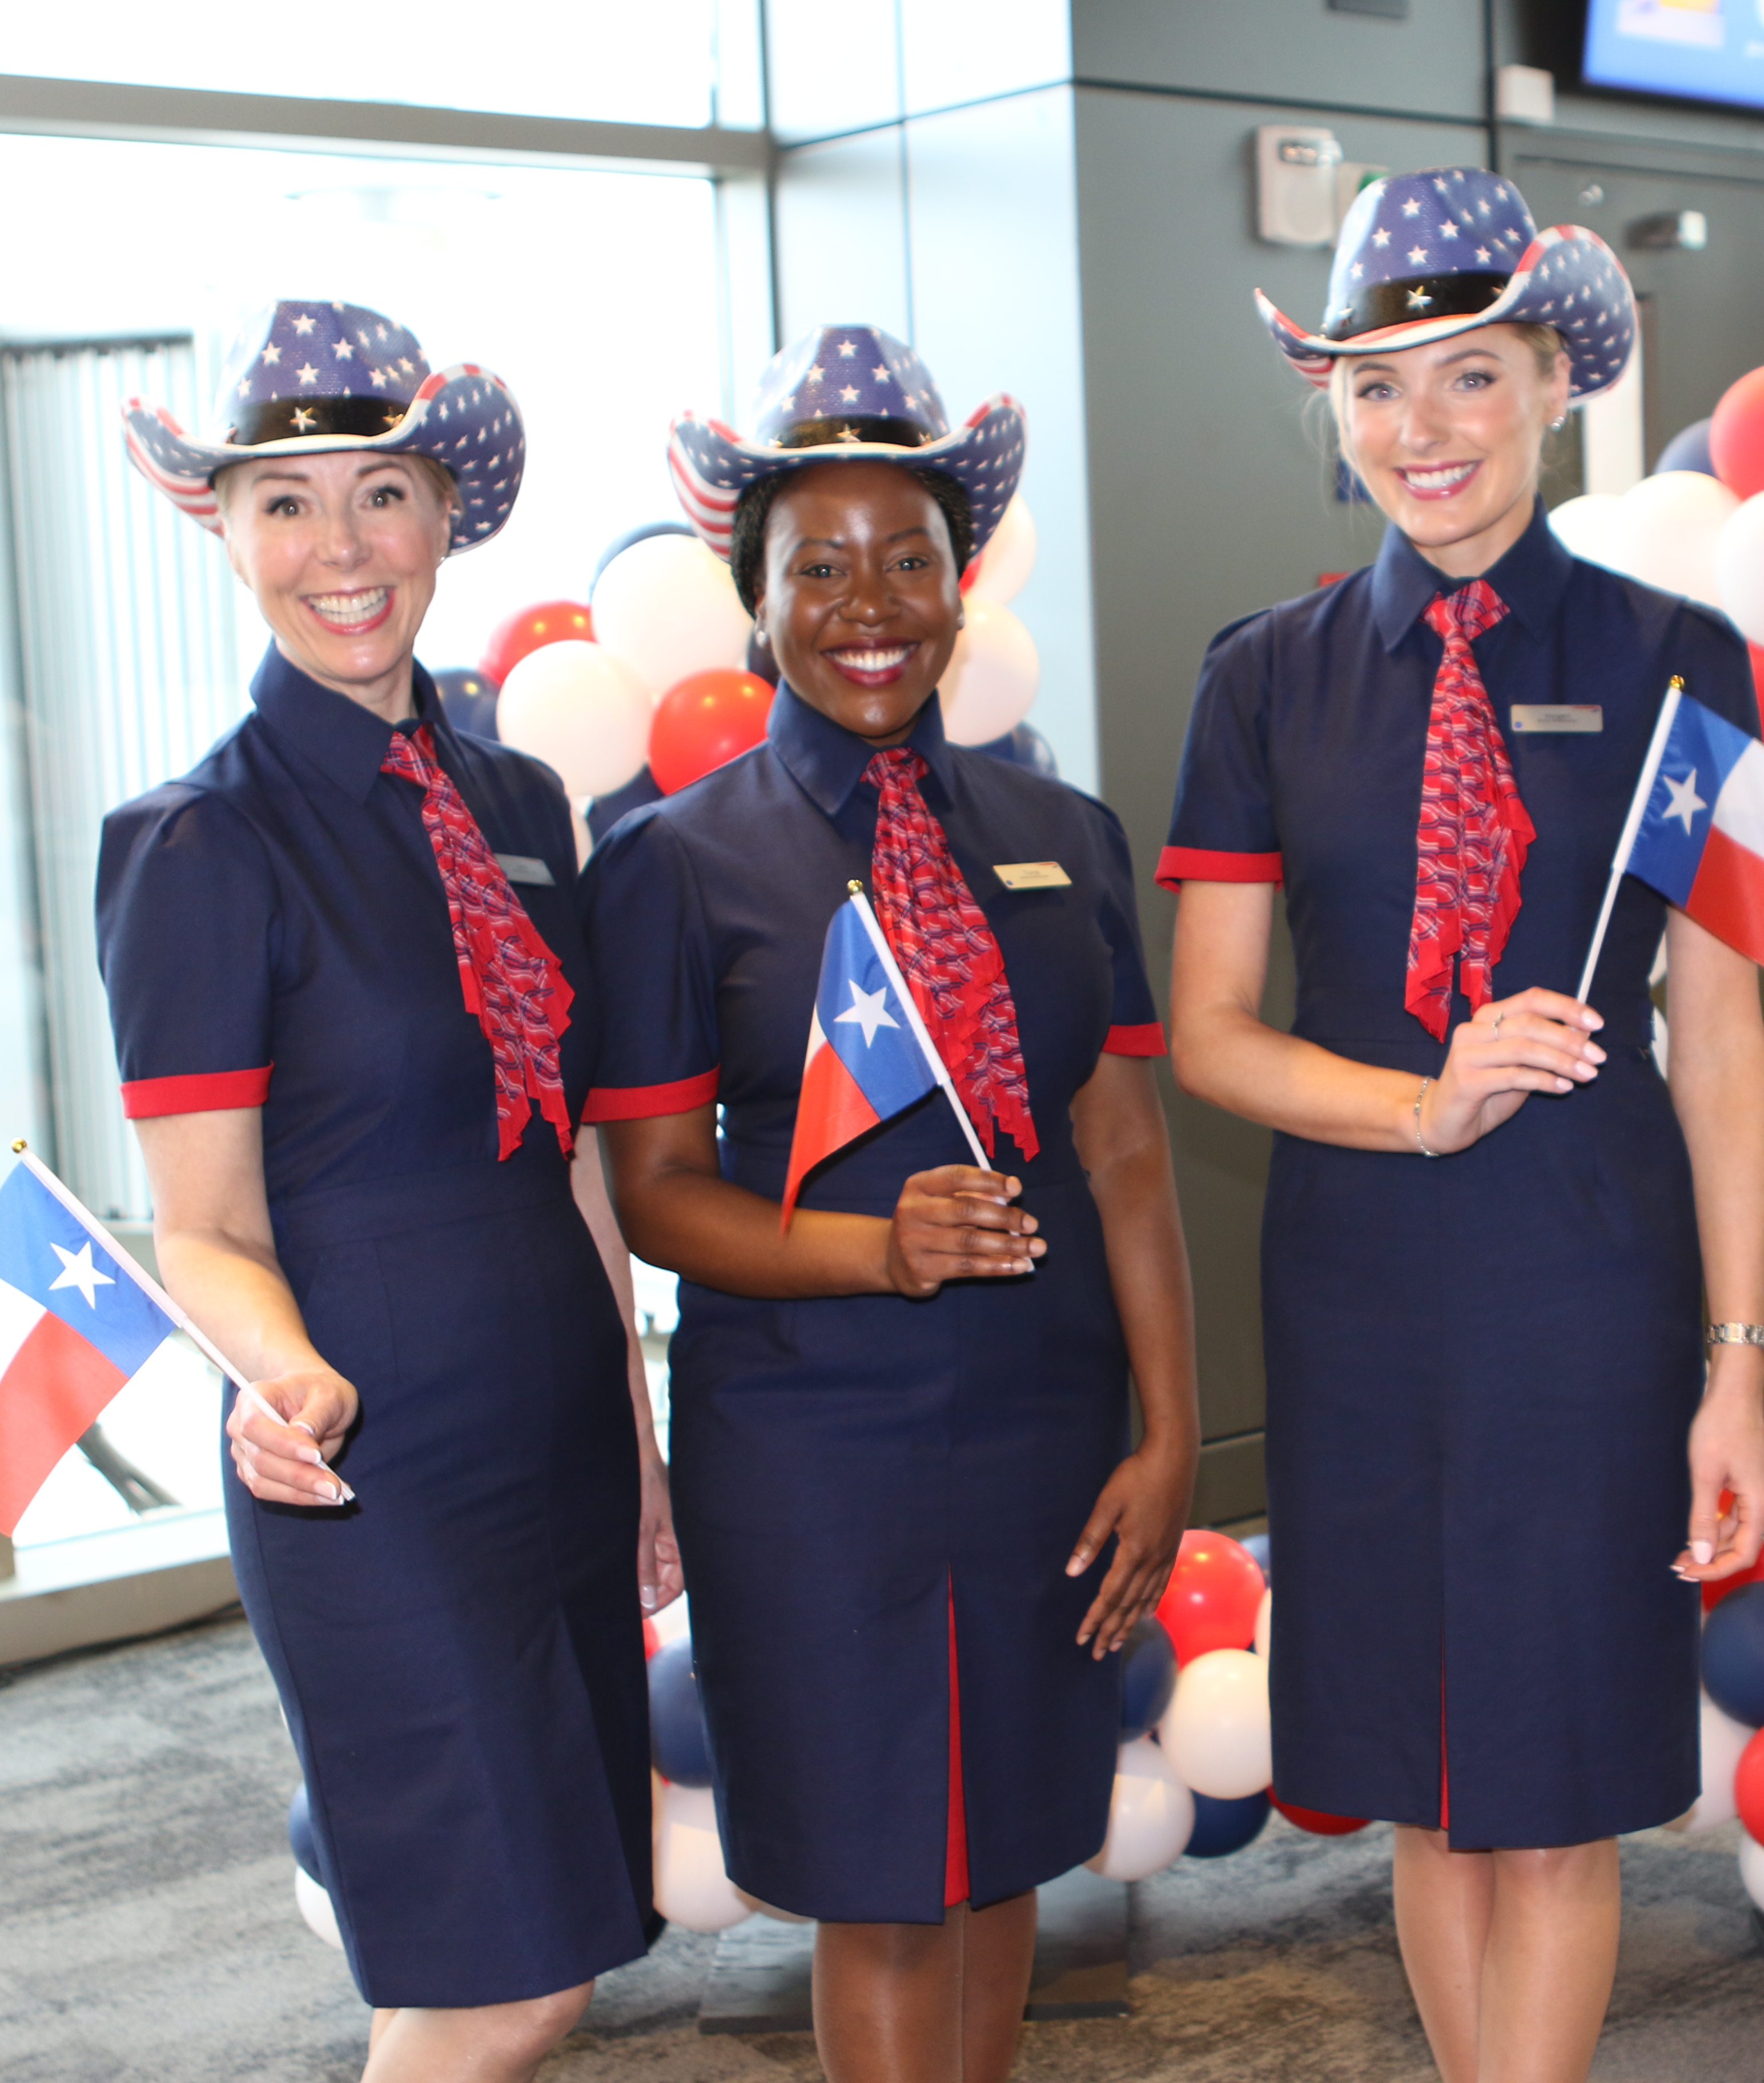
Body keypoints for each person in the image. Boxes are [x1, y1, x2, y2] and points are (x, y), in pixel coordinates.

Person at [1162, 168, 1764, 2083]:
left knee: (1558, 1784)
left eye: (1469, 378)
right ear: (1333, 414)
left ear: (1551, 388)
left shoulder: (1682, 657)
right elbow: (1207, 1033)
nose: (1419, 430)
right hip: (1357, 1290)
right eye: (1375, 386)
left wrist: (1738, 1370)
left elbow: (1725, 1030)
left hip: (1588, 1287)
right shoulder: (1264, 678)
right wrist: (1421, 1109)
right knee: (1430, 1780)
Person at [584, 325, 1198, 2083]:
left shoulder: (1064, 835)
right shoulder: (674, 866)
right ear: (754, 599)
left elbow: (1129, 1152)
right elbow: (657, 1198)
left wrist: (1173, 1434)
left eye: (911, 559)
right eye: (821, 566)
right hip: (811, 1448)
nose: (872, 602)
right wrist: (880, 1248)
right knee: (881, 1880)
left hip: (1046, 1424)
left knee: (1005, 1841)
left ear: (963, 582)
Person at [102, 301, 671, 2082]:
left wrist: (639, 1441)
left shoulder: (520, 801)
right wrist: (277, 1373)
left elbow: (567, 1151)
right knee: (492, 1971)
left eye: (380, 496)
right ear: (225, 529)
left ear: (446, 520)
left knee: (567, 1947)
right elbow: (199, 1225)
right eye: (285, 502)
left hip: (557, 1432)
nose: (338, 550)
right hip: (368, 1460)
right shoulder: (202, 843)